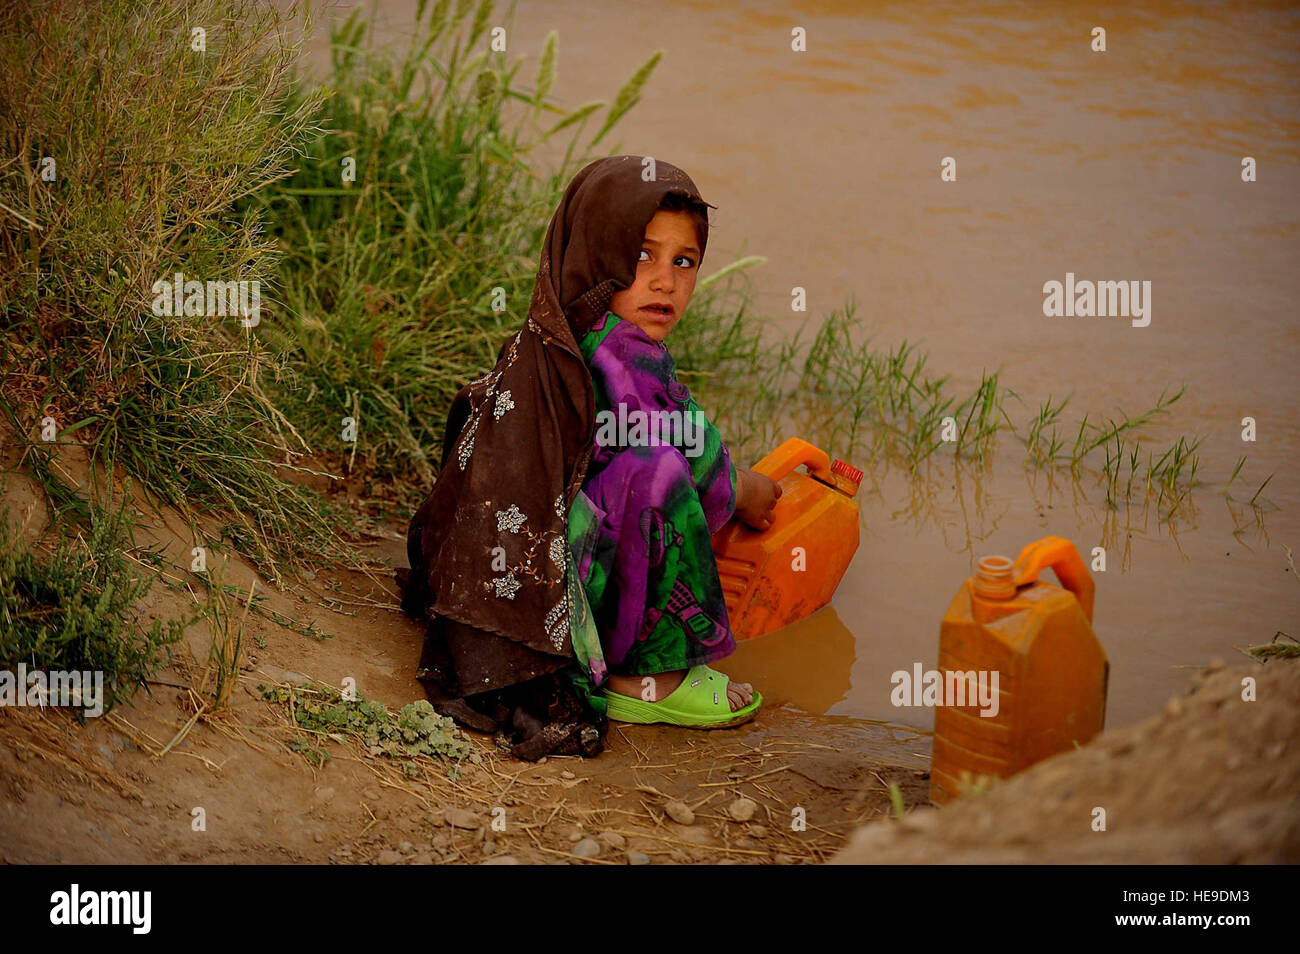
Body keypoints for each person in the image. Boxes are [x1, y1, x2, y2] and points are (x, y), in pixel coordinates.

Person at [399, 156, 779, 760]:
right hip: (553, 579)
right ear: (598, 253)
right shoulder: (624, 351)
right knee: (654, 476)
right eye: (642, 255)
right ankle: (642, 677)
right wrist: (750, 490)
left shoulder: (556, 331)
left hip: (493, 569)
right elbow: (698, 463)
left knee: (635, 466)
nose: (664, 280)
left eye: (684, 262)